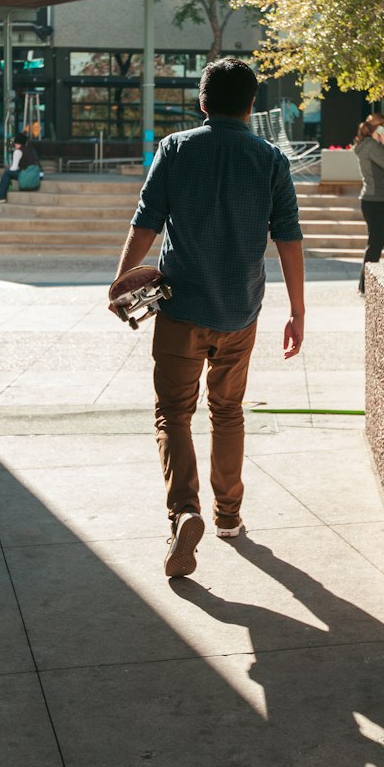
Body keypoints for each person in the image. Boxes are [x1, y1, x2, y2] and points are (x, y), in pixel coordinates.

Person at [110, 58, 305, 580]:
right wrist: (297, 311)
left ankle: (184, 511)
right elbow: (288, 237)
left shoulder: (176, 148)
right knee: (228, 411)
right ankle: (228, 516)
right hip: (240, 311)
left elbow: (145, 220)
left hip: (180, 308)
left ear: (202, 102)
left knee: (173, 413)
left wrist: (122, 279)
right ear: (252, 105)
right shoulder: (270, 158)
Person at [355, 113, 384, 295]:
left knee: (375, 242)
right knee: (376, 243)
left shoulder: (371, 145)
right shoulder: (372, 147)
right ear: (378, 128)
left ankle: (364, 285)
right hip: (375, 200)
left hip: (376, 200)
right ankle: (366, 286)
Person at [0, 134, 41, 199]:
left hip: (25, 175)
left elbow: (14, 168)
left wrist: (10, 168)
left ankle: (0, 197)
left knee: (7, 173)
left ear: (16, 142)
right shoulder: (31, 150)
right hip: (34, 174)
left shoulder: (18, 151)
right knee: (10, 172)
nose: (13, 144)